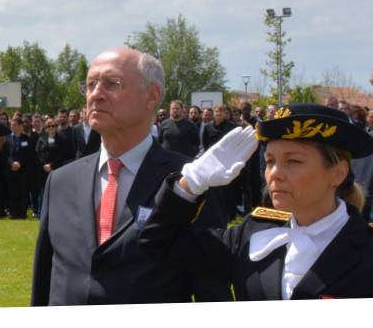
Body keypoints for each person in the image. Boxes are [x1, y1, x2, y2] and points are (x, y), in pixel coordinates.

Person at [32, 48, 230, 306]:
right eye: (90, 84)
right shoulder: (61, 181)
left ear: (151, 96)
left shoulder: (191, 181)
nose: (96, 94)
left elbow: (212, 292)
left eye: (111, 83)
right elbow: (44, 282)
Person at [139, 103, 373, 300]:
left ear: (338, 172)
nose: (274, 174)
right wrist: (191, 182)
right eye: (270, 161)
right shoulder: (253, 232)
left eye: (293, 161)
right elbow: (158, 242)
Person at [5, 116, 37, 219]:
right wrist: (12, 163)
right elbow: (5, 154)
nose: (12, 126)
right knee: (12, 192)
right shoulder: (7, 139)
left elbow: (29, 154)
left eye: (14, 125)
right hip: (11, 169)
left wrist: (19, 163)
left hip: (23, 170)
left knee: (23, 192)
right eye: (11, 125)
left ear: (20, 126)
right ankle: (14, 214)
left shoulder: (26, 138)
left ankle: (22, 214)